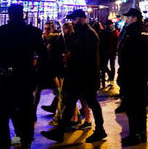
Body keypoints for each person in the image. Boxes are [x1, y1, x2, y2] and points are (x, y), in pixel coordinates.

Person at [42, 10, 106, 143]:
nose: (73, 22)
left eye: (75, 19)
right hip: (77, 76)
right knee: (69, 103)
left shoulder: (90, 34)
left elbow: (87, 56)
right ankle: (60, 132)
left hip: (86, 76)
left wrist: (72, 56)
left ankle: (100, 130)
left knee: (92, 102)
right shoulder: (79, 33)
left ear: (82, 19)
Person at [0, 3, 47, 149]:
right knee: (26, 112)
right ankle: (26, 140)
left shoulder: (0, 32)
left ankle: (4, 144)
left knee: (2, 114)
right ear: (23, 14)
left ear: (9, 15)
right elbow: (44, 55)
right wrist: (37, 75)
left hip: (5, 78)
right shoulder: (32, 32)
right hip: (25, 78)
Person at [116, 8, 148, 146]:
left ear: (134, 18)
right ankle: (142, 134)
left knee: (132, 108)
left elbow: (127, 57)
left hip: (132, 76)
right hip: (142, 76)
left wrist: (123, 75)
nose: (126, 20)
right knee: (141, 107)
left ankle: (134, 135)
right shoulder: (147, 33)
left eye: (128, 17)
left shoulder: (132, 33)